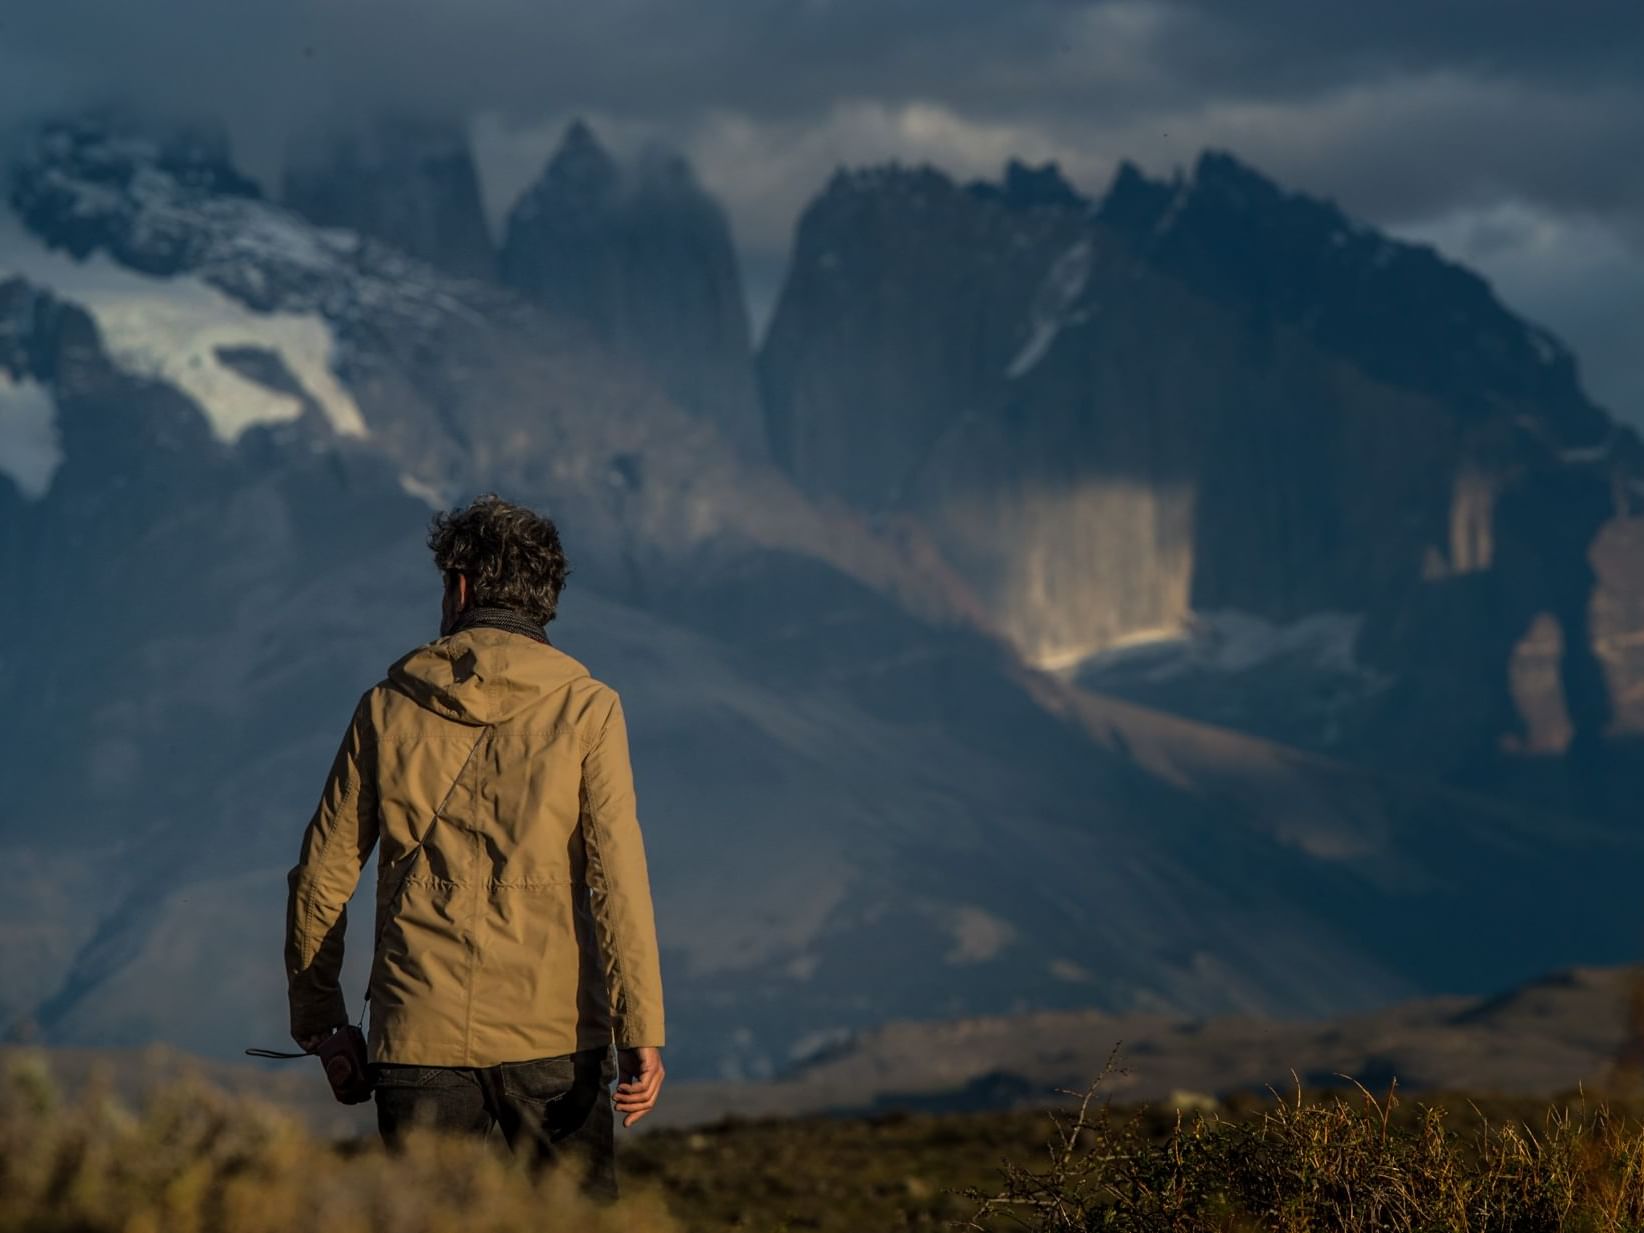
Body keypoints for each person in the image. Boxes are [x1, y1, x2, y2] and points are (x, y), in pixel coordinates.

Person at [283, 493, 665, 1198]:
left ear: (459, 585)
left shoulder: (386, 707)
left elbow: (320, 877)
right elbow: (619, 878)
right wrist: (641, 1025)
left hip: (418, 1034)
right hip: (558, 1038)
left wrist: (322, 1021)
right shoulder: (589, 708)